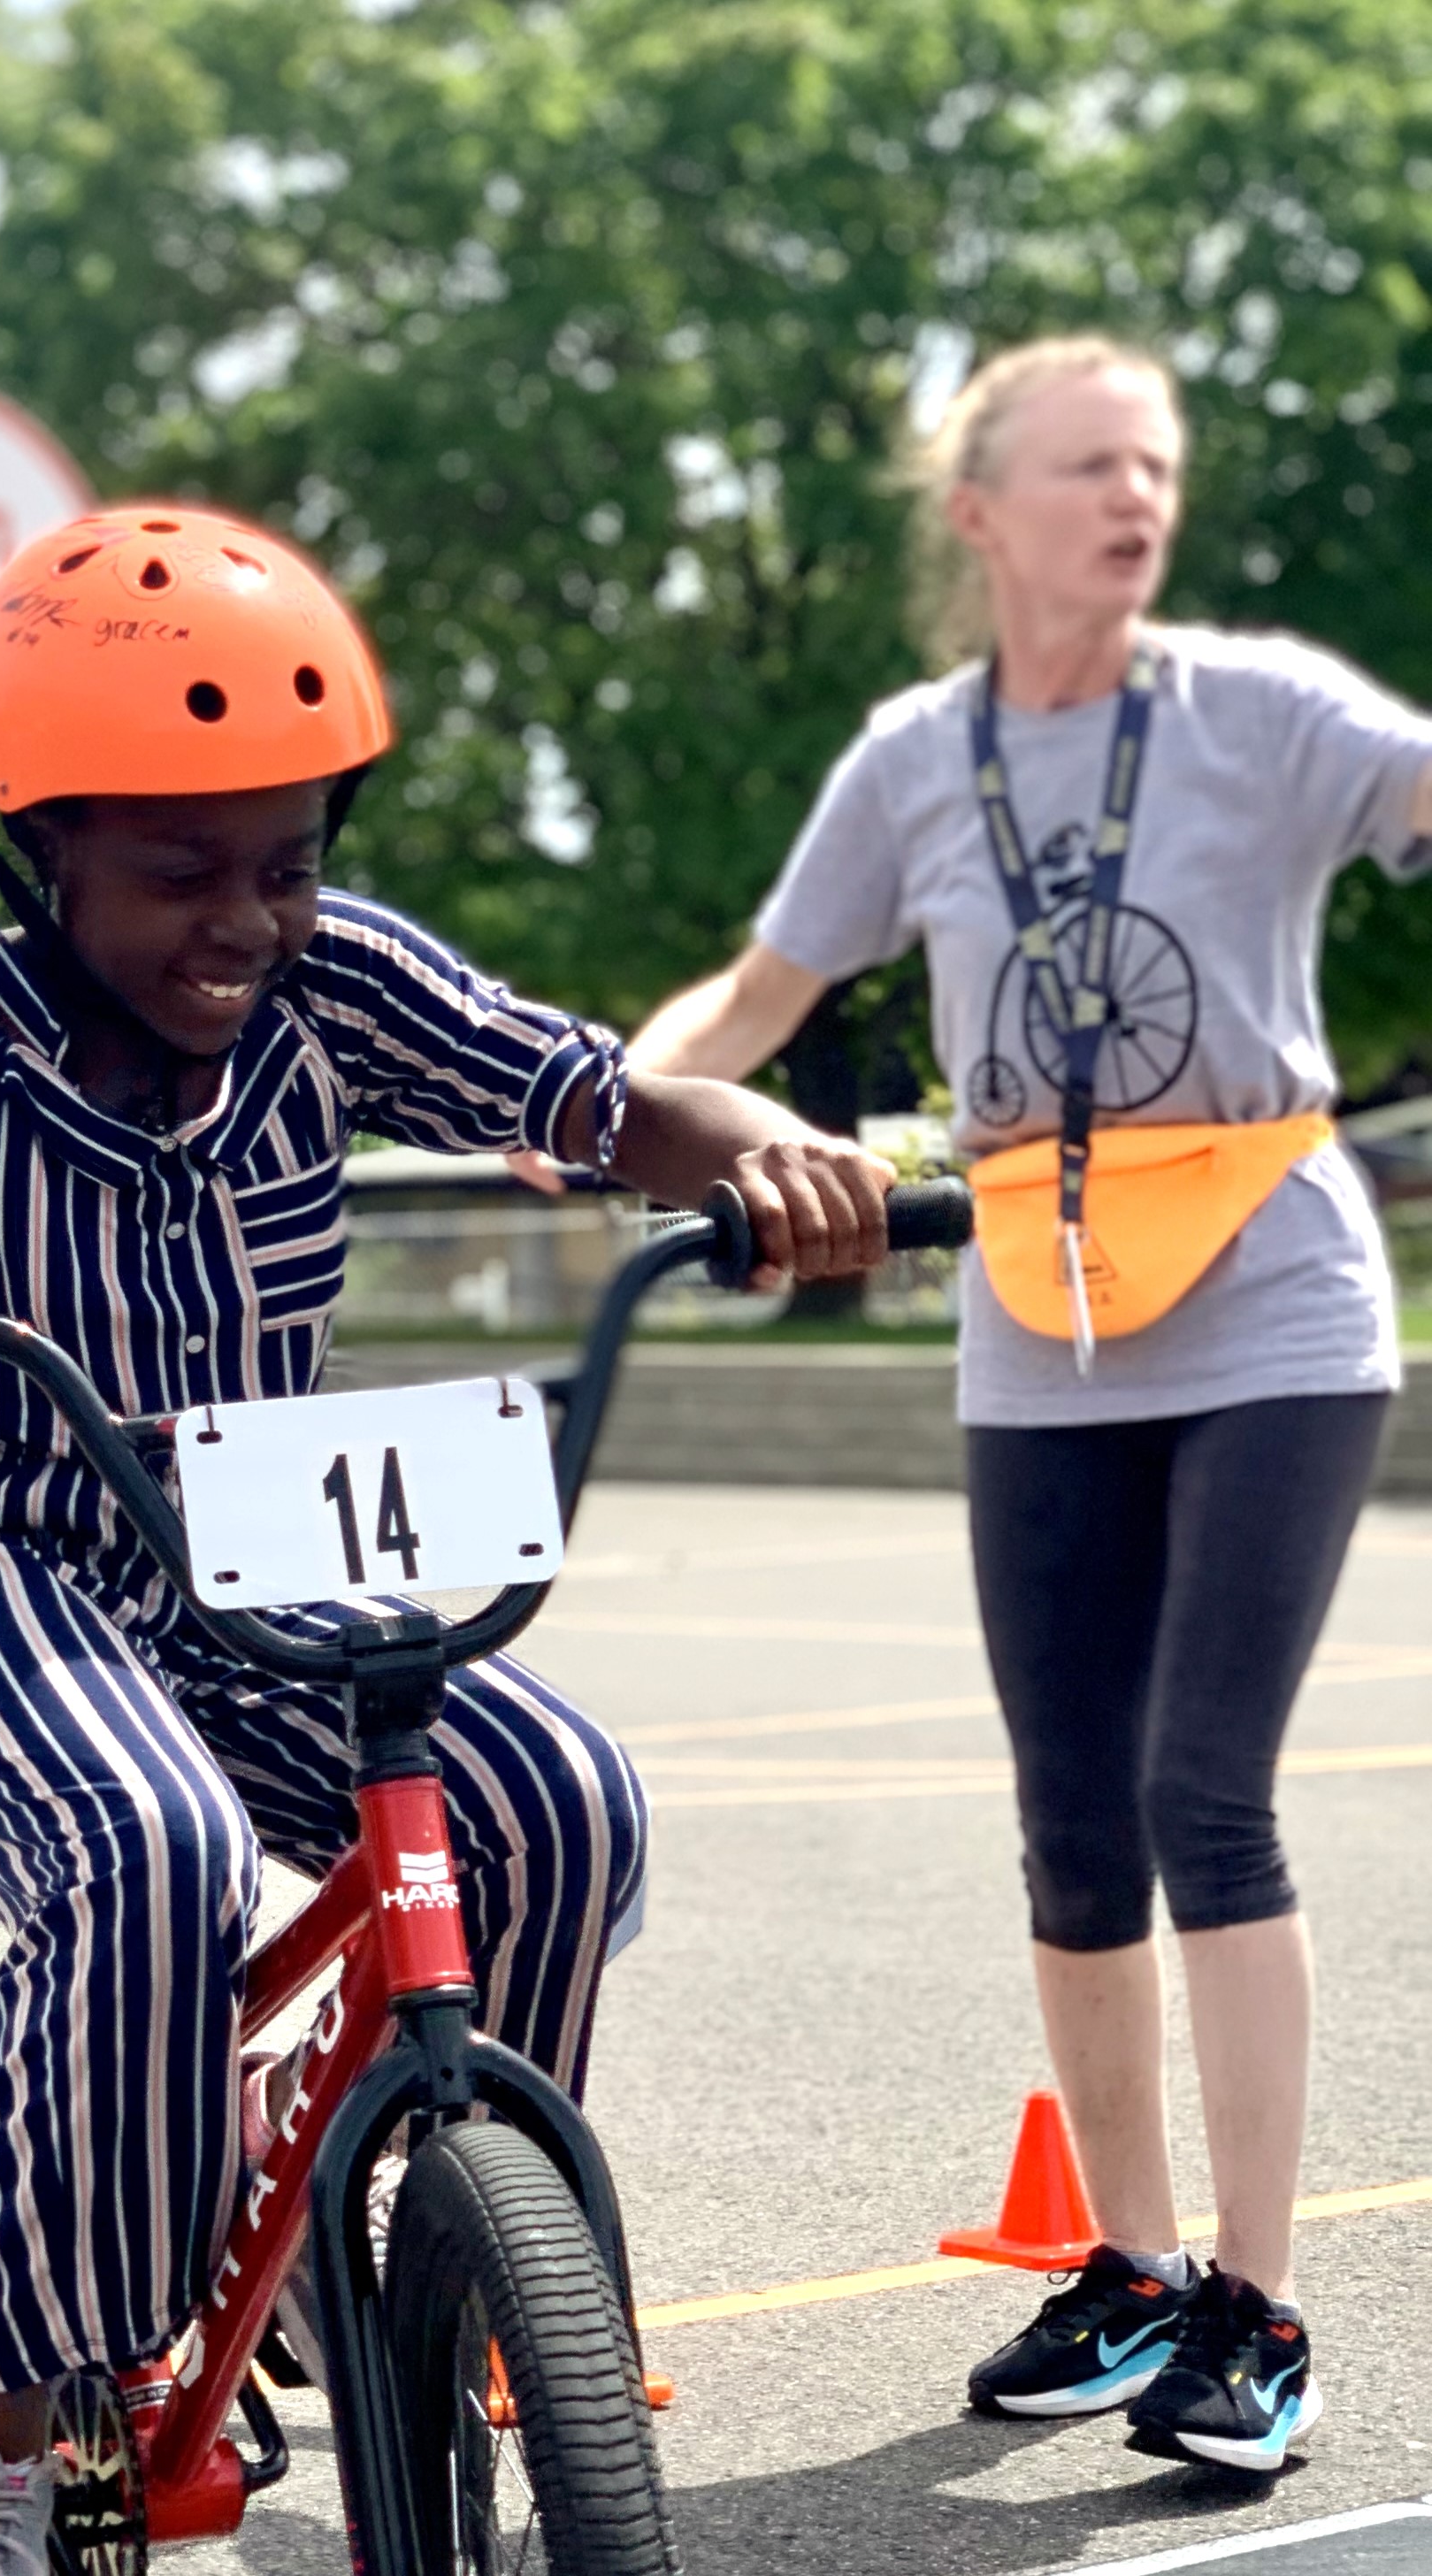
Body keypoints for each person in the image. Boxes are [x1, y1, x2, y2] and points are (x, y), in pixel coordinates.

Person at [0, 508, 899, 2576]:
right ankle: (3, 2445)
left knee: (561, 1798)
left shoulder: (334, 989)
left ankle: (414, 2221)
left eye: (285, 864)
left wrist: (780, 1155)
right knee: (151, 1855)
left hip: (252, 1546)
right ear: (39, 853)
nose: (247, 921)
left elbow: (599, 1100)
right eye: (179, 871)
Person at [630, 337, 1418, 2472]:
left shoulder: (1264, 710)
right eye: (1087, 466)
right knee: (1072, 1820)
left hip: (1269, 1307)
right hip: (1037, 1320)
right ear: (978, 513)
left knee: (1200, 1795)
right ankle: (1132, 2271)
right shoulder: (916, 758)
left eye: (1154, 464)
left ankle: (1256, 2314)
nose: (1135, 495)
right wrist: (610, 1103)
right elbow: (763, 994)